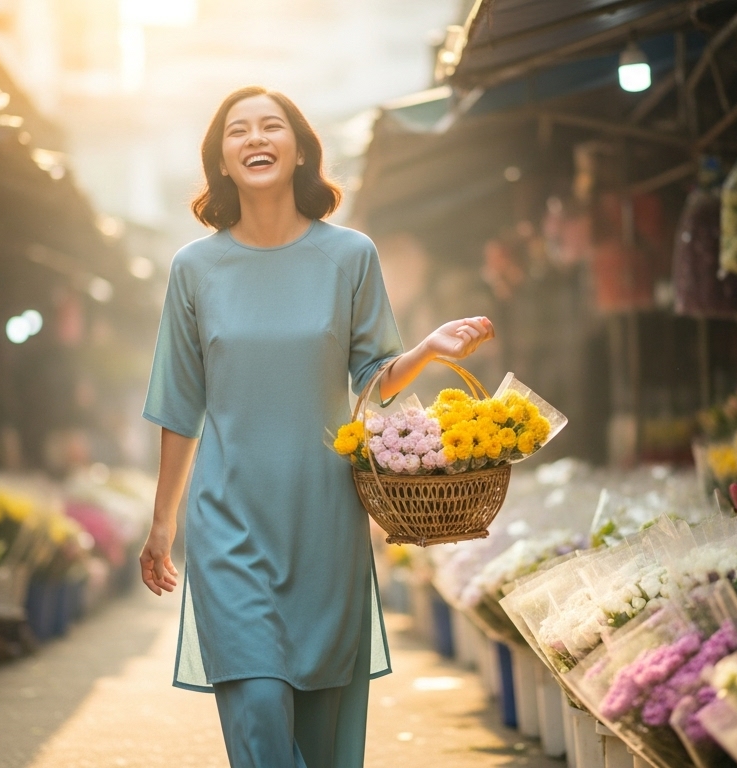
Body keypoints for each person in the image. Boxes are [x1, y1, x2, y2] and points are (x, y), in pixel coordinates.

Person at [139, 85, 495, 768]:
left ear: (300, 149)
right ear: (220, 158)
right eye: (237, 130)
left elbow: (373, 377)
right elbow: (180, 406)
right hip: (228, 523)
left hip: (324, 522)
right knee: (261, 711)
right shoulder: (194, 269)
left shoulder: (350, 255)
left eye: (271, 126)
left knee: (322, 731)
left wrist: (425, 350)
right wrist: (162, 524)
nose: (255, 138)